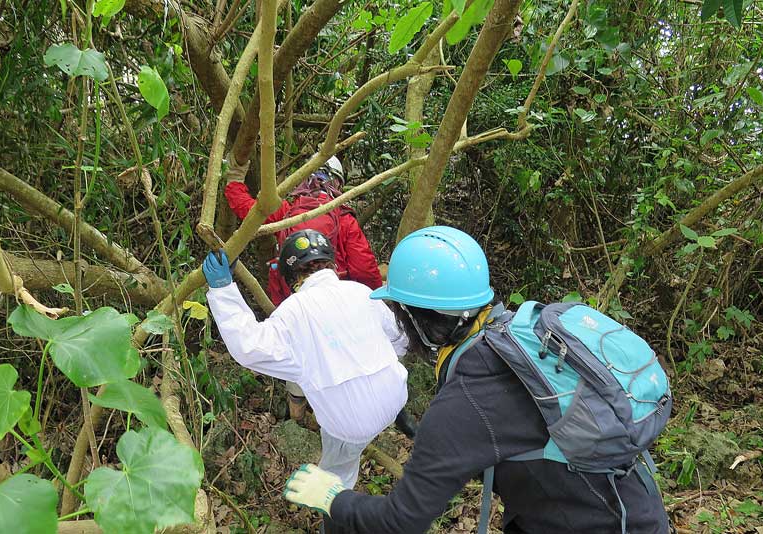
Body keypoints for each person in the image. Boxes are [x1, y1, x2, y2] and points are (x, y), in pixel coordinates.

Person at [282, 226, 671, 534]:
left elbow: (400, 521)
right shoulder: (519, 333)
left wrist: (334, 497)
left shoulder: (464, 403)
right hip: (634, 507)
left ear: (415, 318)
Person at [202, 229, 409, 490]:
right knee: (352, 432)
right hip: (396, 396)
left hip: (350, 423)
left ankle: (335, 509)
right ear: (331, 264)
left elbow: (248, 346)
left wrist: (222, 290)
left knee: (338, 471)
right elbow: (400, 341)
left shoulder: (293, 312)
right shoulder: (360, 292)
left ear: (291, 276)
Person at [224, 155, 384, 423]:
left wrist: (234, 181)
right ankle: (334, 412)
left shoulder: (286, 212)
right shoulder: (343, 218)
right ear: (337, 182)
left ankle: (297, 415)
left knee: (299, 351)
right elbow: (365, 267)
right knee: (332, 353)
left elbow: (248, 211)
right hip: (335, 304)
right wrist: (372, 299)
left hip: (292, 302)